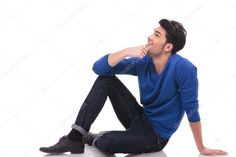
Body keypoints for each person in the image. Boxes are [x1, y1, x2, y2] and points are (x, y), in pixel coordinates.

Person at [39, 19, 228, 156]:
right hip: (139, 118)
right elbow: (99, 69)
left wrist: (201, 147)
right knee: (106, 79)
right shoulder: (143, 61)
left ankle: (96, 137)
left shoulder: (184, 69)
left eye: (157, 34)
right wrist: (127, 51)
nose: (149, 36)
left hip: (156, 135)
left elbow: (192, 109)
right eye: (153, 32)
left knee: (105, 143)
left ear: (168, 46)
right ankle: (74, 137)